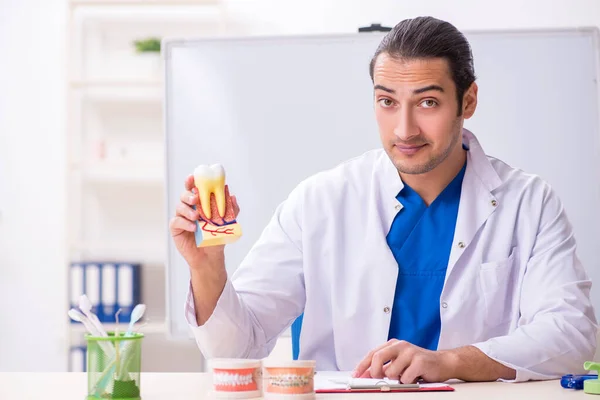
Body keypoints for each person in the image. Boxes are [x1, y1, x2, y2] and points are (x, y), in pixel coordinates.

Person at [169, 16, 598, 383]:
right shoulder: (321, 201)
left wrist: (451, 361)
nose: (404, 129)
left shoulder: (528, 202)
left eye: (427, 102)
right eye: (387, 102)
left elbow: (574, 336)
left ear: (467, 100)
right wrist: (208, 270)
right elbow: (235, 350)